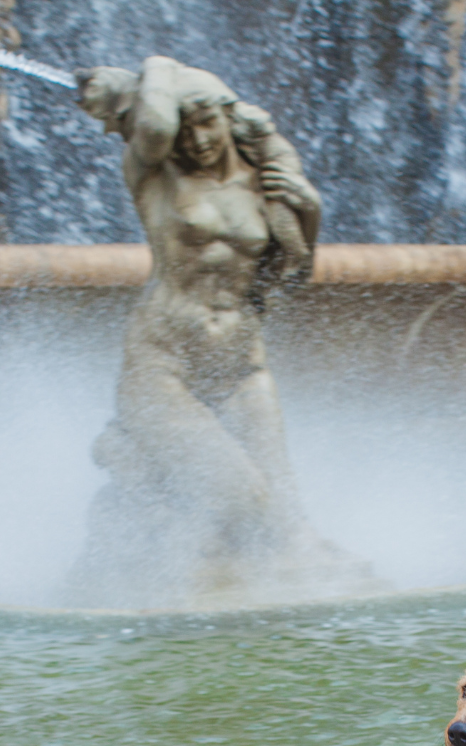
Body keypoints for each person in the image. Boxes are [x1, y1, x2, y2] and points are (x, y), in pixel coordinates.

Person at [71, 57, 369, 605]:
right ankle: (152, 523)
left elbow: (293, 275)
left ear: (231, 119)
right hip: (164, 365)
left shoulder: (264, 179)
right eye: (187, 128)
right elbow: (157, 126)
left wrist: (310, 208)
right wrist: (159, 66)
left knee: (287, 521)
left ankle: (255, 607)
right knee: (244, 499)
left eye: (208, 121)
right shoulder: (153, 174)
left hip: (241, 366)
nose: (199, 139)